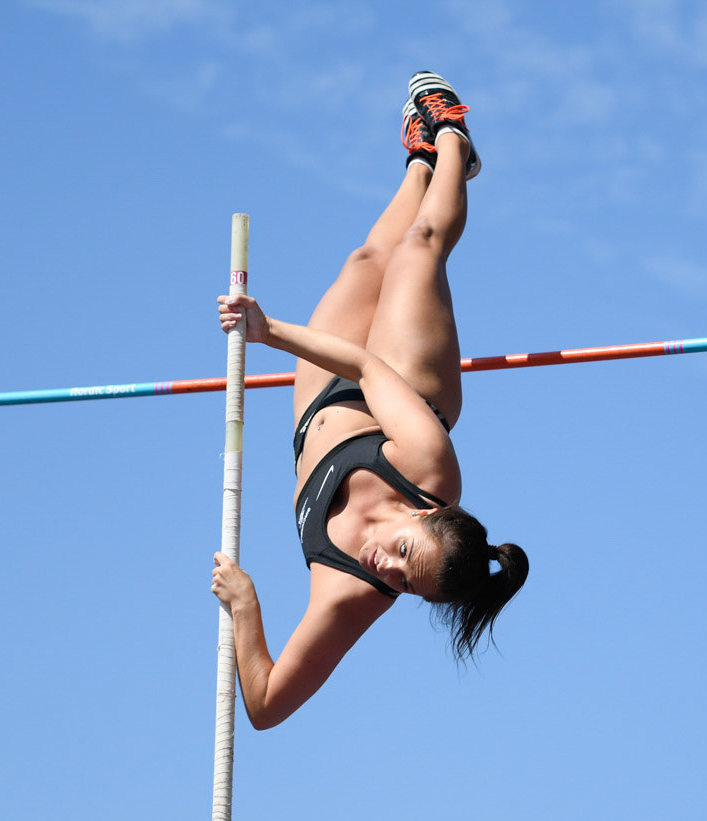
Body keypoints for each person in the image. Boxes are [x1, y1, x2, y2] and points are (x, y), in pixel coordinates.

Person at [211, 72, 528, 729]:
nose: (389, 569)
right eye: (406, 557)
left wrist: (248, 607)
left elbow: (267, 706)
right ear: (426, 511)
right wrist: (267, 332)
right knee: (415, 251)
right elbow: (364, 362)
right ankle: (449, 142)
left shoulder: (350, 592)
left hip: (319, 405)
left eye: (408, 585)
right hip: (401, 385)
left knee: (362, 263)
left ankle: (418, 164)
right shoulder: (431, 468)